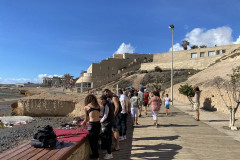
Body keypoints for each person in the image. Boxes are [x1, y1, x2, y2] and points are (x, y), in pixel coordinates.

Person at [82, 94, 101, 160]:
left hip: (91, 124)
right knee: (96, 139)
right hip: (98, 124)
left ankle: (96, 156)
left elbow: (86, 119)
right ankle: (96, 154)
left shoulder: (87, 107)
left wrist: (83, 123)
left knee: (91, 140)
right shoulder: (98, 106)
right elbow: (99, 116)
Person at [100, 95, 115, 159]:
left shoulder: (107, 105)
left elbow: (105, 115)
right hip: (109, 123)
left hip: (107, 124)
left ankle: (109, 153)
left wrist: (100, 121)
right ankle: (108, 151)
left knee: (107, 139)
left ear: (104, 100)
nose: (100, 102)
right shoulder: (109, 104)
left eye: (101, 100)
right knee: (108, 138)